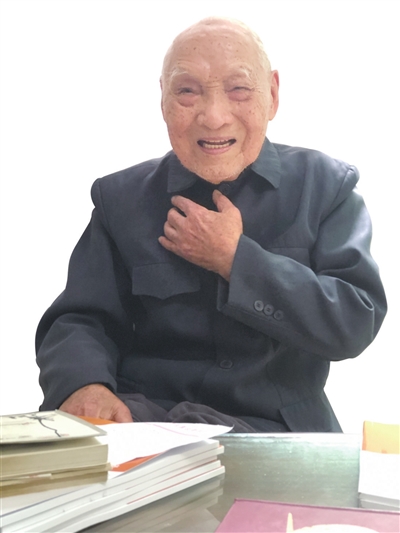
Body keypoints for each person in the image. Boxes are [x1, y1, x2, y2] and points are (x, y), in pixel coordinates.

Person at [35, 17, 387, 432]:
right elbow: (79, 320)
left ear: (272, 95)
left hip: (278, 431)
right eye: (187, 91)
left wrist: (237, 260)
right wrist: (84, 383)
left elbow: (354, 322)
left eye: (239, 89)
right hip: (150, 423)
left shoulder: (326, 186)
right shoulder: (119, 198)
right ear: (163, 99)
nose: (214, 117)